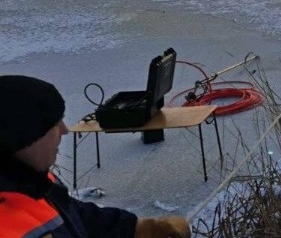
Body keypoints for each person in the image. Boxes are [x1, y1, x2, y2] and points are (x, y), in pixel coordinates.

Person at [0, 75, 191, 238]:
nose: (64, 130)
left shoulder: (33, 182)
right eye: (53, 124)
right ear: (25, 136)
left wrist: (139, 229)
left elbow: (79, 217)